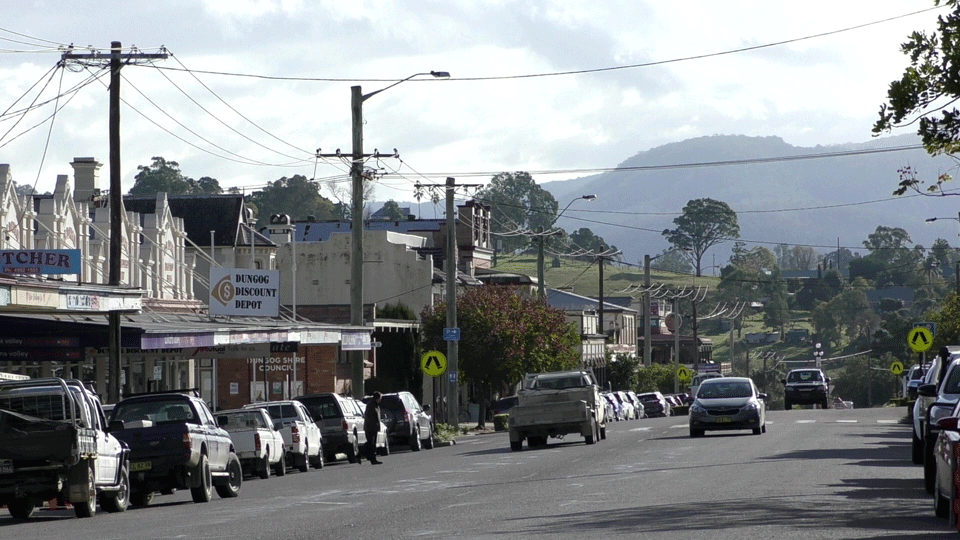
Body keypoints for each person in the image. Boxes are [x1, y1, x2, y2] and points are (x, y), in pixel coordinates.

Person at [364, 391, 383, 465]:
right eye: (380, 398)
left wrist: (378, 425)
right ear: (377, 398)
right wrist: (374, 425)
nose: (380, 399)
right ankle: (372, 458)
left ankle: (371, 457)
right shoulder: (371, 405)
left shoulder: (376, 405)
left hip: (374, 427)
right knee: (371, 444)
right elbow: (369, 417)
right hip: (370, 428)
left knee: (373, 444)